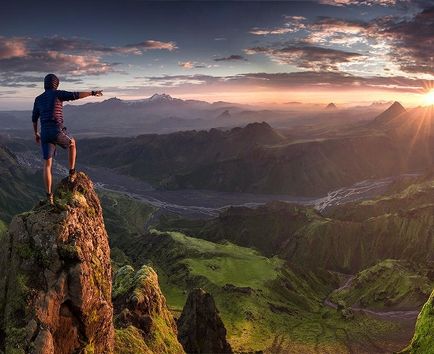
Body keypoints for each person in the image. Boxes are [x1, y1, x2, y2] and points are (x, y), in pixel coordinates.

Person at [32, 73, 103, 205]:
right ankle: (72, 173)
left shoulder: (38, 99)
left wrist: (36, 134)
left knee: (47, 165)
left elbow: (34, 118)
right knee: (72, 143)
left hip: (45, 134)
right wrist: (93, 92)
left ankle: (49, 197)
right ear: (56, 83)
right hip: (56, 131)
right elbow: (76, 95)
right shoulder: (58, 94)